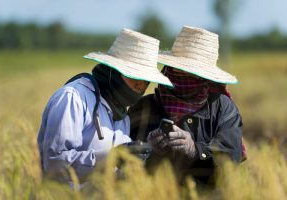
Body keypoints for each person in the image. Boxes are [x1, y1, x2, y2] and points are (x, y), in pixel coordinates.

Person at [37, 28, 173, 184]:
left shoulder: (122, 116)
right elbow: (55, 164)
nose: (141, 85)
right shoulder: (73, 98)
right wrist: (112, 157)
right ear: (112, 70)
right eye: (134, 75)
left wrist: (146, 151)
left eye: (146, 80)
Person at [128, 26, 244, 186]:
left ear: (205, 78)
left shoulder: (223, 109)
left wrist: (194, 150)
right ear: (168, 69)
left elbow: (230, 160)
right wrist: (150, 150)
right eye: (178, 70)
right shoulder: (144, 107)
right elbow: (125, 162)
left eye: (191, 74)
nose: (182, 77)